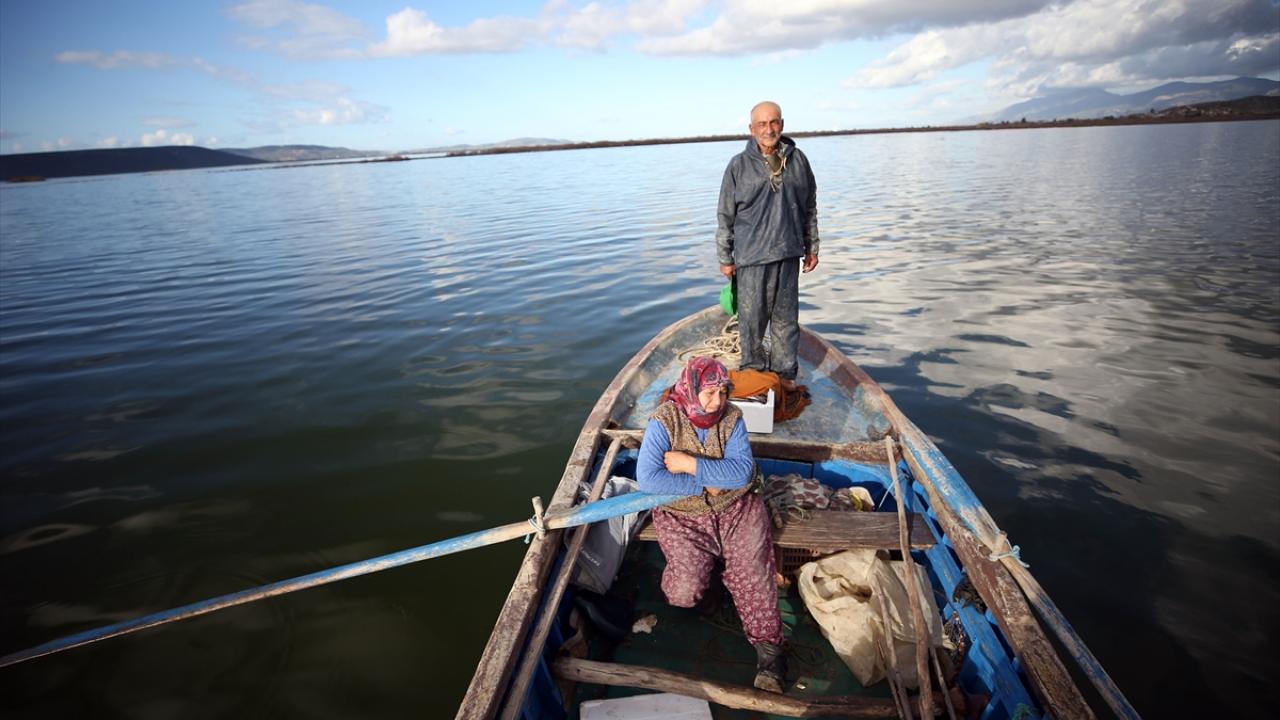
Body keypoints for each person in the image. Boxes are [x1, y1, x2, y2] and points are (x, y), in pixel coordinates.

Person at [636, 356, 787, 693]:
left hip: (737, 507)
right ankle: (709, 597)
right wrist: (706, 483)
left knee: (753, 574)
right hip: (682, 515)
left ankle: (770, 653)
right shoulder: (664, 421)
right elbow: (649, 479)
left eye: (723, 392)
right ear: (690, 390)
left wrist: (690, 464)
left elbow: (741, 472)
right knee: (684, 589)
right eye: (709, 393)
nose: (717, 401)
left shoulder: (732, 418)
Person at [716, 101, 819, 389]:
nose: (768, 129)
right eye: (762, 124)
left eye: (773, 122)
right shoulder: (737, 166)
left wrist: (812, 246)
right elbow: (725, 214)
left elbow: (809, 206)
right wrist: (725, 257)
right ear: (752, 129)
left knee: (786, 321)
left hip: (788, 253)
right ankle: (754, 374)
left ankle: (785, 376)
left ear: (781, 125)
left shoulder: (799, 161)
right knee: (752, 322)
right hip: (751, 258)